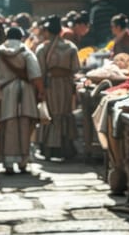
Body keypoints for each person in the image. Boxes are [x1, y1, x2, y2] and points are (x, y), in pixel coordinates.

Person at [0, 26, 45, 175]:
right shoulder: (26, 52)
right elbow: (36, 76)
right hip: (26, 94)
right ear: (21, 37)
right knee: (25, 125)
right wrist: (41, 92)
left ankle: (8, 163)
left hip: (4, 94)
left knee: (6, 126)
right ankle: (23, 161)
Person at [35, 16, 80, 161]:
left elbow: (39, 72)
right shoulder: (71, 47)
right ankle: (66, 149)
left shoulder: (42, 48)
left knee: (51, 115)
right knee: (65, 114)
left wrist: (40, 91)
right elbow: (75, 68)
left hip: (50, 86)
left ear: (48, 31)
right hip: (66, 86)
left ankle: (48, 150)